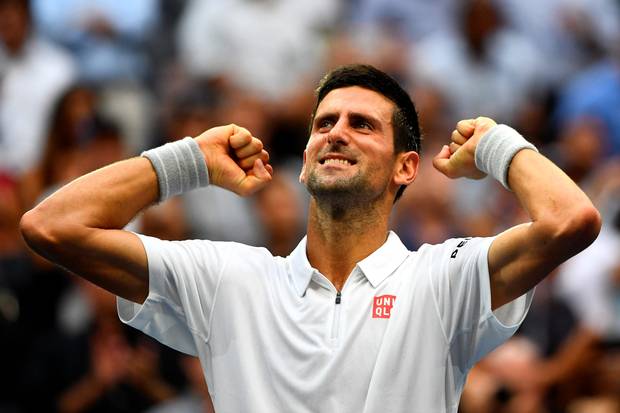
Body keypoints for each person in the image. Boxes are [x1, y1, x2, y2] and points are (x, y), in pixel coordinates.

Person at [20, 64, 601, 412]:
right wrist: (187, 160)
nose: (336, 134)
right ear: (304, 163)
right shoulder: (229, 278)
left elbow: (570, 220)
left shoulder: (445, 276)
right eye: (324, 123)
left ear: (407, 168)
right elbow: (51, 226)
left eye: (362, 124)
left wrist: (497, 144)